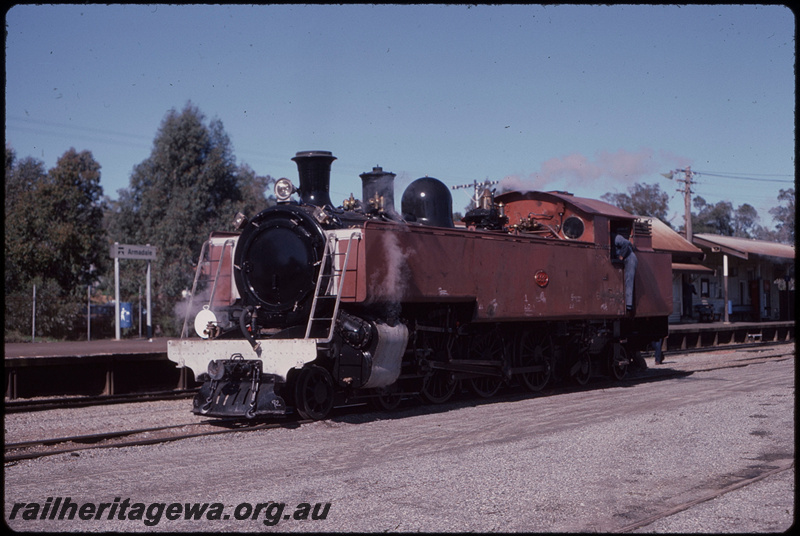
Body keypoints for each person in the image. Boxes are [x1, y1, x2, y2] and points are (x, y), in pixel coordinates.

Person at [614, 233, 638, 314]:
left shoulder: (617, 237)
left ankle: (629, 305)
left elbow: (627, 243)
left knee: (629, 280)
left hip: (630, 258)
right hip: (627, 259)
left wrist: (621, 255)